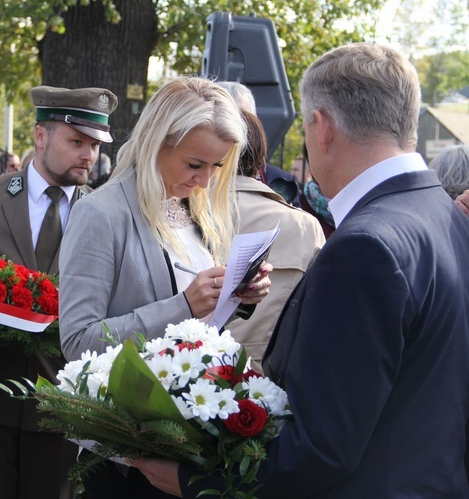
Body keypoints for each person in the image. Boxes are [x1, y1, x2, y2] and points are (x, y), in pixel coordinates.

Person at [135, 43, 469, 498]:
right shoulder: (445, 216)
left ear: (322, 127)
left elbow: (322, 447)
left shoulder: (365, 248)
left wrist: (196, 483)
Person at [59, 77, 272, 497]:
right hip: (125, 460)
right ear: (156, 142)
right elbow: (78, 343)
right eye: (195, 164)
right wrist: (183, 306)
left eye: (217, 166)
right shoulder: (99, 214)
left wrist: (235, 295)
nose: (206, 181)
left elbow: (199, 329)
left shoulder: (197, 211)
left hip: (186, 446)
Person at [0, 85, 118, 499]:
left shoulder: (108, 214)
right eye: (77, 142)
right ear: (41, 136)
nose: (88, 155)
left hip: (64, 408)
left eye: (94, 144)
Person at [224, 110, 324, 365]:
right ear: (260, 156)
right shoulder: (304, 226)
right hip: (268, 383)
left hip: (178, 379)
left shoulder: (177, 211)